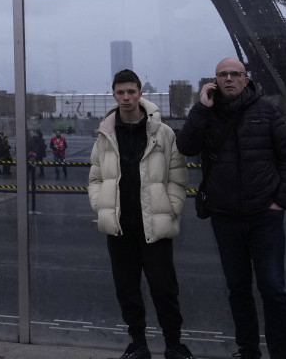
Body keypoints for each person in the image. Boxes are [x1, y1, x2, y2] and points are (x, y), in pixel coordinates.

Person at [176, 58, 286, 359]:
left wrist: (279, 202)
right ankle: (248, 350)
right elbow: (186, 146)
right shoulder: (208, 113)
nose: (229, 78)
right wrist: (201, 108)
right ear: (214, 81)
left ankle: (281, 354)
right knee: (238, 288)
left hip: (264, 216)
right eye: (223, 75)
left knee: (273, 289)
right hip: (226, 215)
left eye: (235, 74)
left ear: (246, 79)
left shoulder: (267, 110)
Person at [88, 70, 193, 359]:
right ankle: (138, 343)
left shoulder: (164, 133)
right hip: (120, 224)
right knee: (127, 289)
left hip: (154, 222)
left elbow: (178, 176)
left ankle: (173, 344)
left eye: (131, 92)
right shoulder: (105, 135)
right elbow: (95, 177)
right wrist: (101, 205)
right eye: (120, 93)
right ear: (114, 95)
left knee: (164, 289)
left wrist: (170, 207)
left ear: (139, 93)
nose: (126, 97)